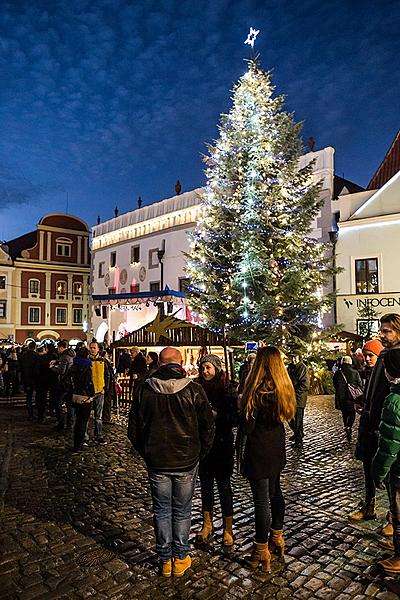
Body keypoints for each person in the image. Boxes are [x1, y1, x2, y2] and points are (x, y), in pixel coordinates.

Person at [128, 346, 215, 578]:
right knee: (182, 510)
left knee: (161, 510)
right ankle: (181, 557)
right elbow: (207, 428)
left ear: (160, 364)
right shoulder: (194, 390)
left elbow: (133, 430)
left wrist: (147, 452)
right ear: (179, 363)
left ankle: (165, 560)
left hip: (157, 461)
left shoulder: (144, 389)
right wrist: (199, 453)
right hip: (186, 460)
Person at [238, 346, 296, 572]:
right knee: (275, 492)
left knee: (261, 501)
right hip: (276, 448)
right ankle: (277, 536)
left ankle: (260, 549)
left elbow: (248, 427)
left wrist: (241, 408)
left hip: (259, 450)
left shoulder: (257, 391)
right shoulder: (283, 388)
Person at [351, 314, 400, 525]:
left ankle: (393, 520)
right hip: (371, 421)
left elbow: (390, 392)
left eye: (387, 331)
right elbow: (375, 389)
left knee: (393, 478)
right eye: (382, 330)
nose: (383, 335)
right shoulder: (385, 355)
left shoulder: (395, 356)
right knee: (369, 467)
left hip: (386, 423)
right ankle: (369, 506)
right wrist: (363, 401)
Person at [195, 354, 238, 546]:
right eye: (203, 368)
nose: (205, 371)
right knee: (205, 486)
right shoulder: (196, 388)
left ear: (217, 369)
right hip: (204, 444)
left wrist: (217, 415)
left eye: (209, 368)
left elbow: (234, 419)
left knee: (223, 486)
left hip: (222, 444)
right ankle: (207, 524)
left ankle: (228, 528)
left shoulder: (227, 389)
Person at [371, 347, 400, 574]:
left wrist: (378, 472)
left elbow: (389, 444)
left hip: (399, 469)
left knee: (398, 511)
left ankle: (399, 558)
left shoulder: (394, 400)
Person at [70, 346, 95, 453]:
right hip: (84, 397)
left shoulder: (73, 366)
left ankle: (76, 444)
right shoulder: (87, 366)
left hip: (74, 396)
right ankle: (79, 445)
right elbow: (89, 383)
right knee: (83, 422)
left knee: (77, 421)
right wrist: (91, 395)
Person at [333, 356, 363, 442]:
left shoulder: (338, 373)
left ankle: (346, 426)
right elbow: (360, 384)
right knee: (352, 413)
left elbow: (335, 384)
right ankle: (349, 426)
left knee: (344, 413)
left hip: (341, 397)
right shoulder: (355, 372)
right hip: (352, 397)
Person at [49, 340, 75, 430]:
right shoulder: (70, 355)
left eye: (58, 347)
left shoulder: (64, 356)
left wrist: (52, 368)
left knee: (58, 403)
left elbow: (62, 370)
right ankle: (70, 423)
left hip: (64, 383)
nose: (57, 349)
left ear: (61, 347)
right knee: (69, 404)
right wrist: (56, 362)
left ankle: (61, 422)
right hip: (70, 383)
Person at [88, 341, 109, 443]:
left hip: (100, 391)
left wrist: (105, 388)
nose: (92, 349)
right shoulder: (86, 361)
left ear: (98, 349)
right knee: (86, 415)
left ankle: (98, 435)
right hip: (89, 392)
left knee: (98, 416)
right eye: (91, 348)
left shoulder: (103, 361)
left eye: (94, 348)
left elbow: (107, 375)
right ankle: (85, 436)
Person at [287, 354, 310, 446]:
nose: (293, 359)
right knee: (290, 417)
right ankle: (298, 433)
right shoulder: (290, 367)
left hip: (299, 397)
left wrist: (295, 392)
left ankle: (298, 439)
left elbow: (305, 384)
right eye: (292, 357)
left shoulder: (302, 368)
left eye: (295, 357)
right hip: (290, 396)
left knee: (298, 419)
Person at [19, 341, 39, 419]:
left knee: (29, 397)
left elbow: (20, 368)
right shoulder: (37, 356)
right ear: (35, 347)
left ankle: (30, 413)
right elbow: (37, 370)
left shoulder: (23, 356)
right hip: (35, 379)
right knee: (37, 396)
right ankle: (35, 414)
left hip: (26, 378)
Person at [35, 346, 52, 422]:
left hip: (40, 381)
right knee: (46, 399)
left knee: (41, 399)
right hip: (49, 381)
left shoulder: (40, 359)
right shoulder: (52, 358)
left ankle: (41, 415)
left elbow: (36, 371)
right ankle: (45, 414)